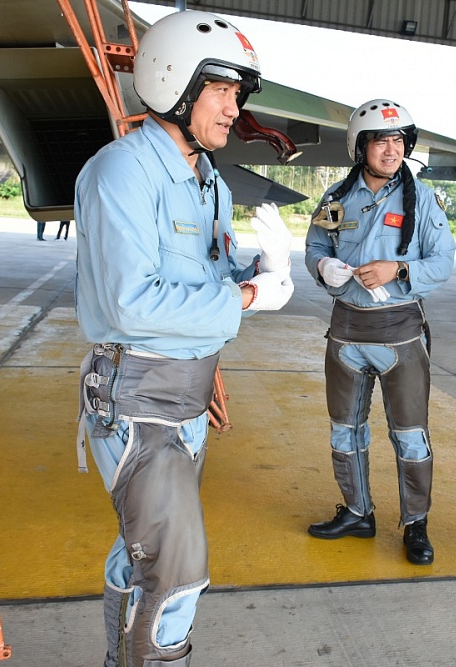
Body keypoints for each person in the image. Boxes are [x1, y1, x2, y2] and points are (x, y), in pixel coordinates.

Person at [73, 11, 294, 666]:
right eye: (222, 89)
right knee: (174, 578)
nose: (234, 108)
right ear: (174, 81)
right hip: (136, 405)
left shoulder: (209, 184)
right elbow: (130, 302)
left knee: (137, 554)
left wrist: (258, 274)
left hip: (185, 398)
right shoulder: (121, 173)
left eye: (237, 93)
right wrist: (250, 297)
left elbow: (211, 279)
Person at [304, 99, 455, 566]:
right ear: (360, 146)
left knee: (410, 435)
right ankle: (356, 512)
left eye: (398, 141)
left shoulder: (422, 198)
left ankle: (416, 523)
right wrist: (322, 264)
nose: (392, 149)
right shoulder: (336, 196)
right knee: (343, 430)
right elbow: (314, 244)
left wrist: (399, 269)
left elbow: (443, 259)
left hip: (399, 334)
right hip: (347, 331)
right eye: (381, 140)